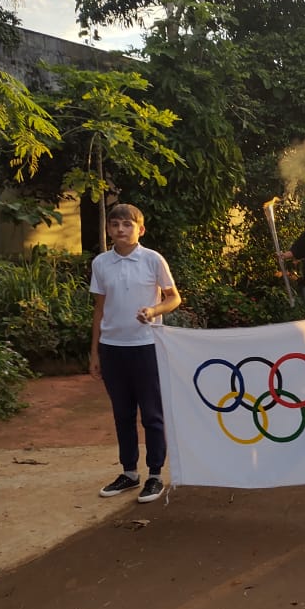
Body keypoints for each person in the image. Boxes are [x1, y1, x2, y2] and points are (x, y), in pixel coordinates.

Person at [89, 203, 182, 504]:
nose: (120, 229)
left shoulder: (153, 260)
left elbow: (174, 298)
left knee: (152, 415)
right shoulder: (101, 263)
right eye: (115, 224)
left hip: (147, 346)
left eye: (127, 224)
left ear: (140, 229)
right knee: (122, 414)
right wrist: (94, 352)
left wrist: (154, 310)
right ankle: (129, 473)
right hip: (113, 349)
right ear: (108, 229)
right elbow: (100, 308)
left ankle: (155, 474)